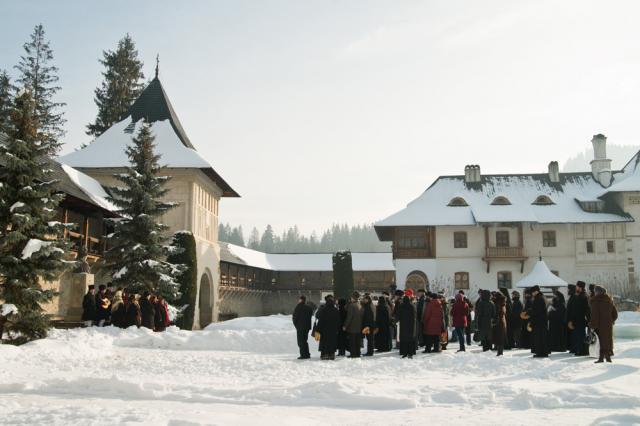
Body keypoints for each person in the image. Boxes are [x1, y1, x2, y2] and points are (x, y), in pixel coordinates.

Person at [590, 286, 618, 363]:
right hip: (608, 325)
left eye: (595, 291)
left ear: (598, 292)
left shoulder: (596, 301)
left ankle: (602, 358)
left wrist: (592, 325)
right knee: (606, 341)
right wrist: (610, 321)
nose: (594, 293)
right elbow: (615, 314)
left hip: (599, 325)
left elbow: (594, 315)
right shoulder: (609, 300)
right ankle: (606, 357)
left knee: (601, 341)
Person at [567, 281, 591, 356]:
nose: (576, 288)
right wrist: (570, 320)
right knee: (576, 336)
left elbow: (586, 310)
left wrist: (589, 320)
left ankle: (582, 351)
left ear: (580, 288)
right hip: (575, 320)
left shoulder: (584, 297)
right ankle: (577, 349)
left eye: (577, 286)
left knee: (581, 336)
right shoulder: (576, 296)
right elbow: (571, 309)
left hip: (580, 320)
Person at [316, 295, 340, 360]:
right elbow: (338, 321)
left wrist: (318, 329)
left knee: (324, 342)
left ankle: (325, 354)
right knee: (332, 342)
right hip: (333, 330)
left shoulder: (323, 310)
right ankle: (332, 354)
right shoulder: (336, 310)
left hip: (324, 330)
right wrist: (337, 329)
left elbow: (320, 320)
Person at [529, 286, 549, 358]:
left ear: (536, 291)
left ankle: (541, 353)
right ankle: (541, 352)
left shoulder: (539, 298)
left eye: (533, 292)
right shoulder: (540, 297)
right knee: (540, 338)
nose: (532, 294)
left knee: (540, 338)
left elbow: (537, 311)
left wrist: (530, 312)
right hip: (541, 322)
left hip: (539, 322)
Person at [292, 295, 313, 359]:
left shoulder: (298, 307)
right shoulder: (309, 308)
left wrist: (296, 325)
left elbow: (295, 317)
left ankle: (303, 355)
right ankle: (307, 354)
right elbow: (310, 315)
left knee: (300, 341)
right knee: (305, 340)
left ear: (301, 300)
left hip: (300, 327)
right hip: (307, 327)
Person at [344, 292, 364, 358]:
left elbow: (349, 317)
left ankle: (353, 354)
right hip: (359, 326)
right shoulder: (360, 305)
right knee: (357, 341)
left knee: (352, 342)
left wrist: (345, 326)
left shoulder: (351, 306)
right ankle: (357, 353)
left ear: (353, 298)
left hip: (352, 327)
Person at [493, 291, 507, 356]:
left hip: (499, 322)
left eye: (494, 296)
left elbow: (497, 313)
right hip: (502, 321)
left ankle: (500, 352)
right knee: (500, 337)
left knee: (499, 337)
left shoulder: (498, 303)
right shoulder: (502, 303)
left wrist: (494, 320)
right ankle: (500, 352)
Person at [566, 284, 577, 353]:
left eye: (568, 289)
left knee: (573, 335)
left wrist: (571, 321)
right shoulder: (572, 297)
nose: (567, 290)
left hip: (572, 320)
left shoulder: (574, 298)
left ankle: (574, 348)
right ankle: (572, 348)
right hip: (570, 320)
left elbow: (573, 310)